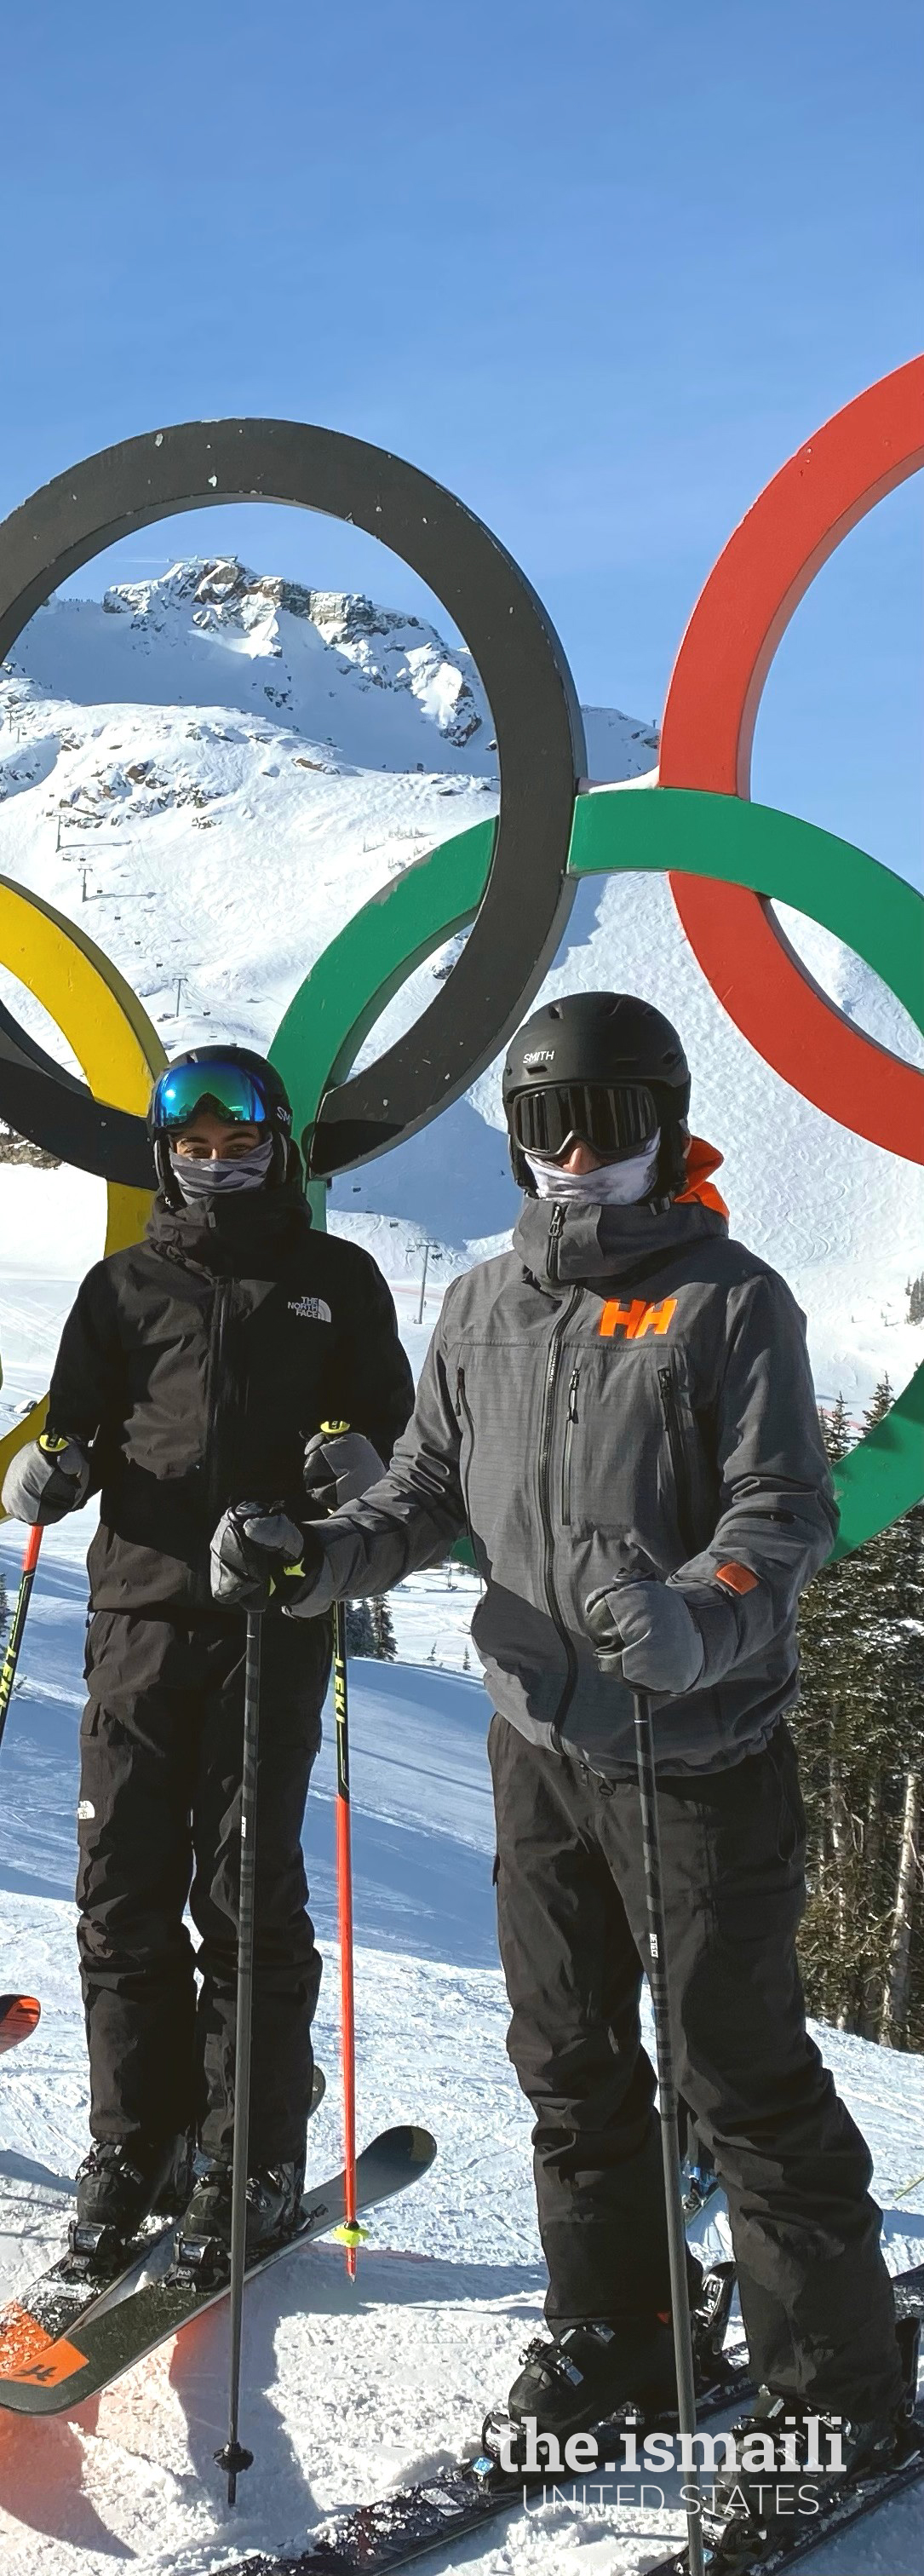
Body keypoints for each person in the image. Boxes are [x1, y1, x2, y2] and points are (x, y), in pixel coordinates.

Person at [212, 992, 908, 2530]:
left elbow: (779, 1514)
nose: (575, 1156)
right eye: (543, 1126)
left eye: (606, 1124)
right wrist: (320, 1557)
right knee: (567, 2056)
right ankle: (626, 2332)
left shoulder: (729, 1301)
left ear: (665, 1126)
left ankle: (838, 2395)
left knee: (734, 2073)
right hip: (537, 1743)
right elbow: (423, 1491)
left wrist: (697, 1618)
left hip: (701, 1751)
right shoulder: (481, 1307)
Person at [2, 1044, 413, 2256]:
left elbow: (389, 1425)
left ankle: (252, 2157)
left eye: (240, 1149)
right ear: (167, 1160)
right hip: (135, 1613)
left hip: (270, 1615)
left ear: (277, 1147)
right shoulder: (122, 1286)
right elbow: (73, 1423)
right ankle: (141, 2142)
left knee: (242, 1894)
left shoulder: (334, 1278)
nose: (220, 1170)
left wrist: (355, 1465)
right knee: (120, 1892)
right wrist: (51, 1471)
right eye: (197, 1152)